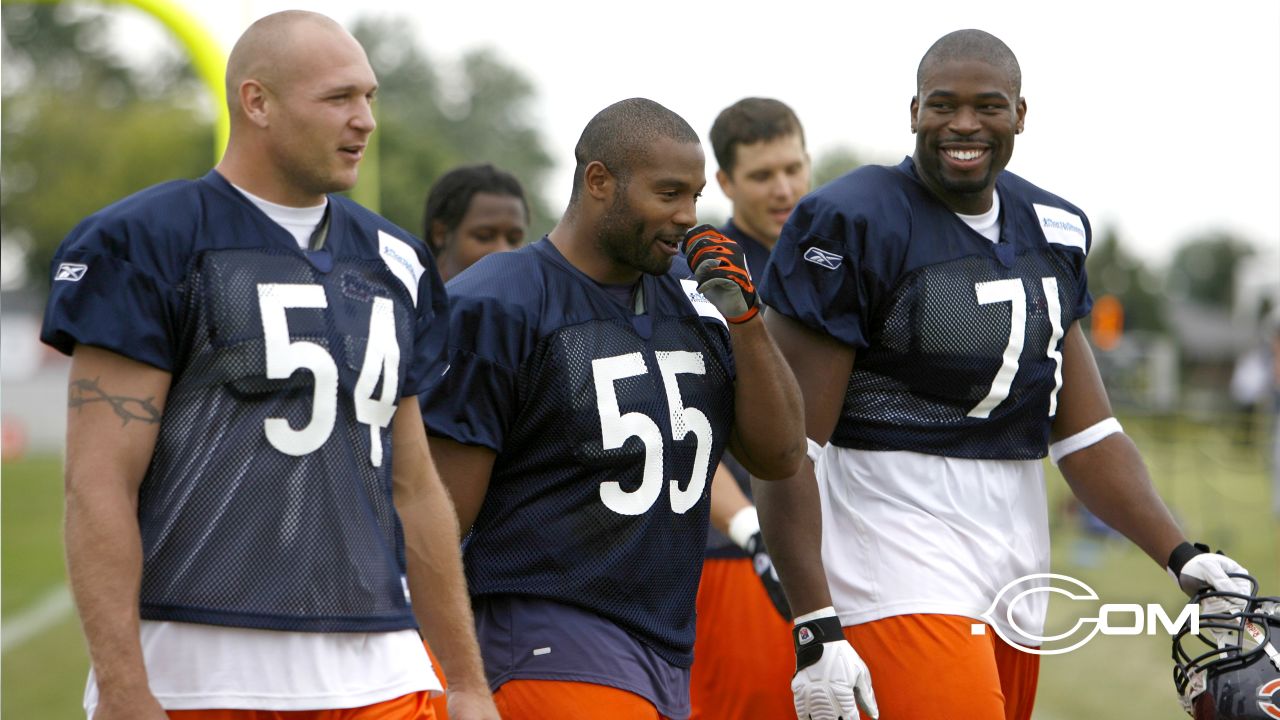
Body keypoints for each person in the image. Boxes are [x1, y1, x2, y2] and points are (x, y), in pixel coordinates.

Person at [752, 29, 1252, 720]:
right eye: (942, 105)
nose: (963, 124)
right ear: (914, 112)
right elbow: (786, 451)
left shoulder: (1054, 227)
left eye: (987, 106)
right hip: (889, 550)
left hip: (1015, 558)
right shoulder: (852, 218)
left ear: (1020, 114)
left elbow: (1088, 434)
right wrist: (814, 620)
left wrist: (1180, 554)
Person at [39, 11, 497, 720]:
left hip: (379, 667)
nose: (365, 120)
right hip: (198, 668)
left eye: (370, 96)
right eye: (340, 97)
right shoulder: (148, 243)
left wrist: (467, 681)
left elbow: (414, 488)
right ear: (257, 103)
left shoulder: (395, 260)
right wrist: (125, 687)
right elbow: (99, 481)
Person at [420, 97, 806, 719]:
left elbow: (780, 454)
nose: (687, 217)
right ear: (599, 181)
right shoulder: (501, 300)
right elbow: (439, 515)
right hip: (545, 636)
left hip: (664, 642)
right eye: (668, 194)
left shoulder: (696, 299)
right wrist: (457, 677)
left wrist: (746, 318)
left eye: (695, 196)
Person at [689, 97, 811, 720]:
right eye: (763, 175)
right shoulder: (700, 277)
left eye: (793, 168)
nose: (783, 188)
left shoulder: (843, 258)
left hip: (845, 542)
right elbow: (686, 429)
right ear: (726, 183)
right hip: (741, 551)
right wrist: (752, 533)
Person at [423, 164, 530, 282]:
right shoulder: (405, 297)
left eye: (513, 240)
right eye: (484, 237)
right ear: (440, 234)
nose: (503, 251)